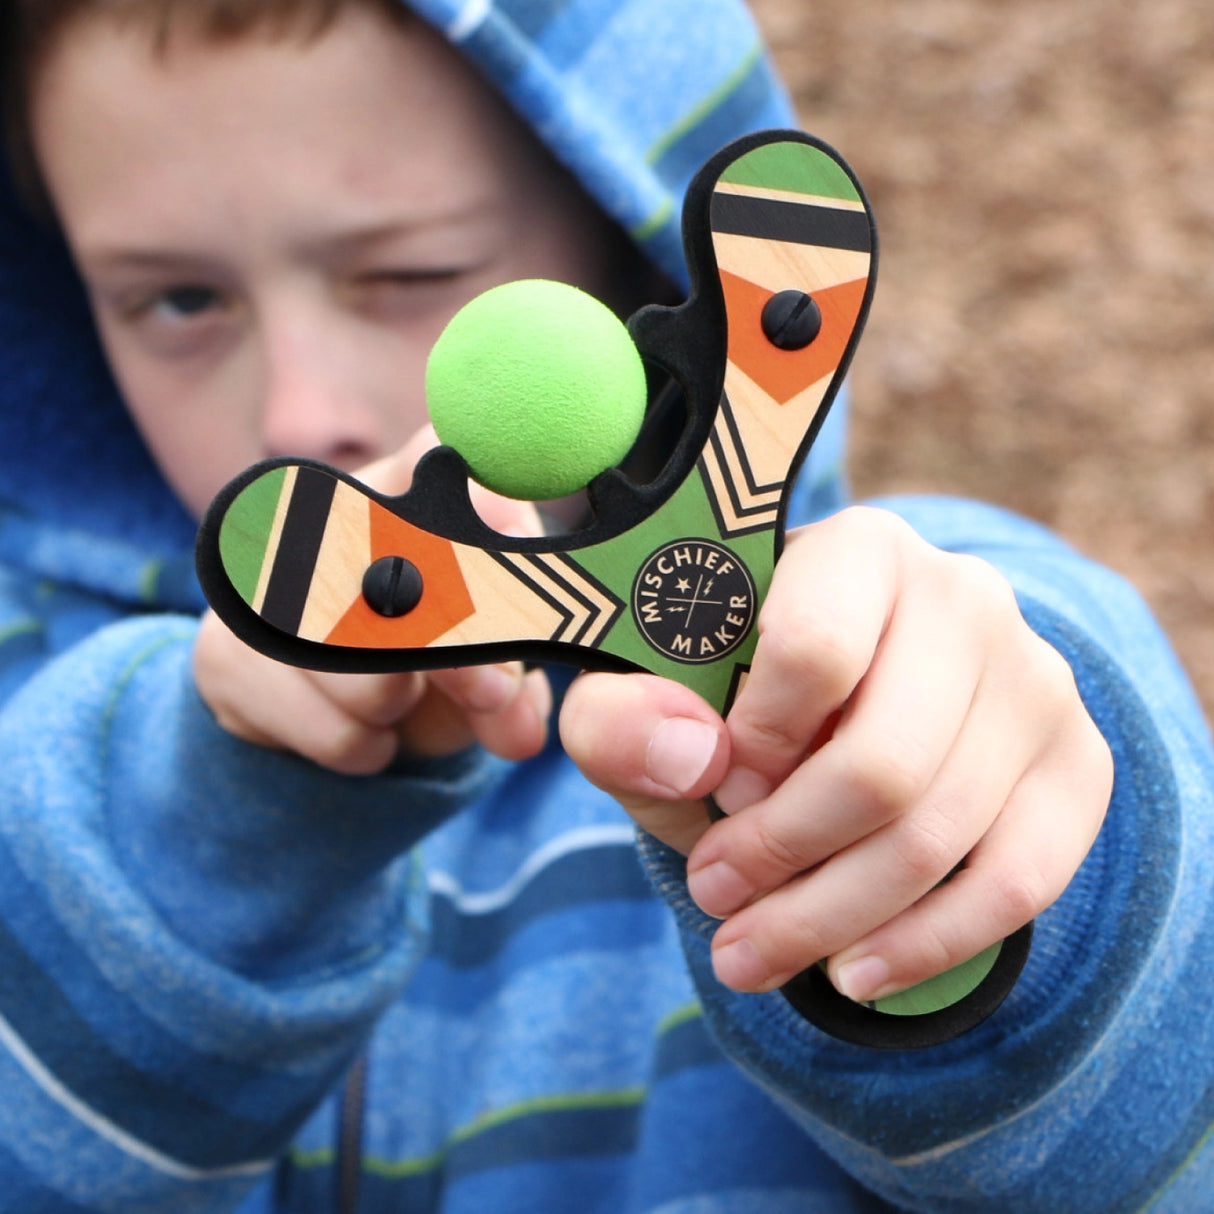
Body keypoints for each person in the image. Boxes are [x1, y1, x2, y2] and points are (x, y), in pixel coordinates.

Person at [0, 0, 1209, 1211]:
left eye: (409, 273)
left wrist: (978, 835)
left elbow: (1154, 1132)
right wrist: (206, 823)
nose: (295, 413)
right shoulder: (45, 759)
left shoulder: (921, 608)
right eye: (178, 302)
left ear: (632, 239)